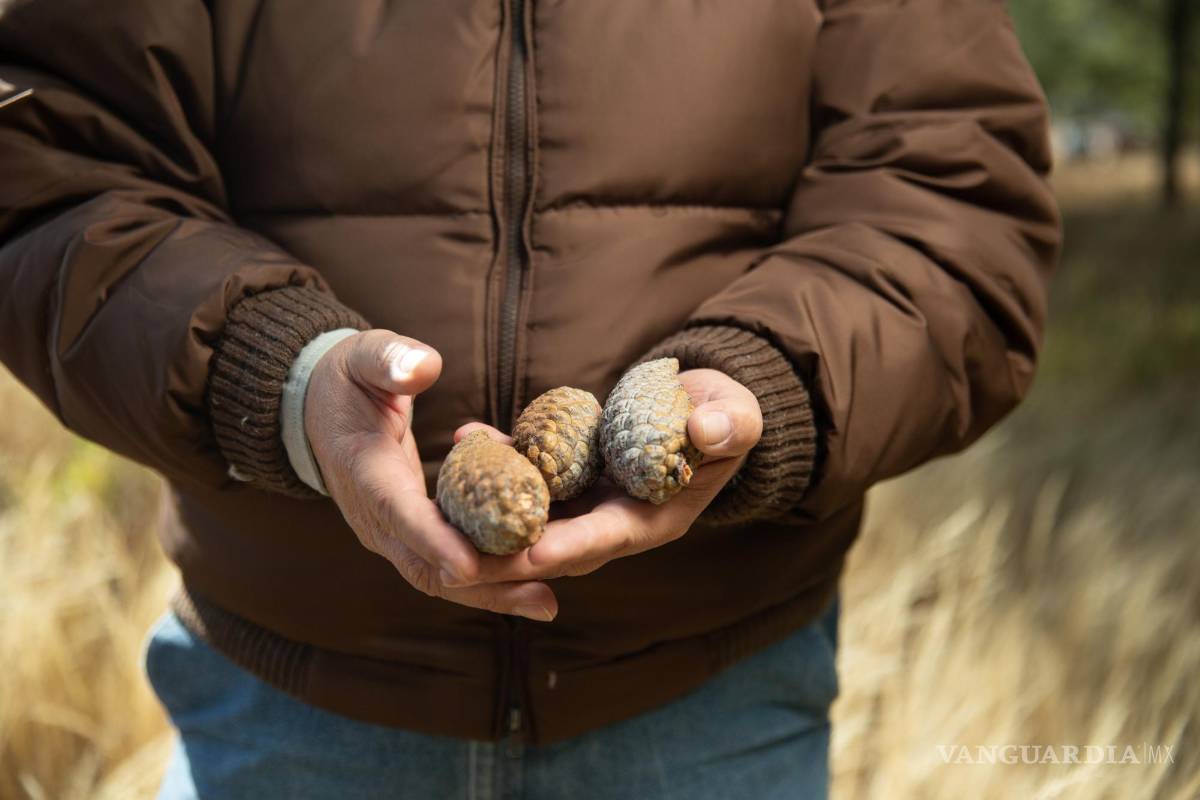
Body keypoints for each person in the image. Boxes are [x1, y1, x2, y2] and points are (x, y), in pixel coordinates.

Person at [0, 1, 1061, 798]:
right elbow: (54, 171)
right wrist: (281, 377)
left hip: (710, 694)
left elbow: (952, 198)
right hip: (289, 696)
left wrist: (765, 381)